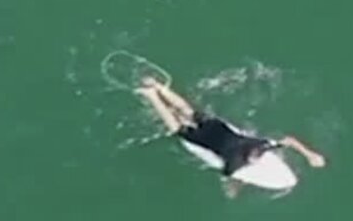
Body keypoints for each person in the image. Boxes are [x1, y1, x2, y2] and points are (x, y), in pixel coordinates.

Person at [135, 76, 326, 197]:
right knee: (177, 128)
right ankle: (152, 96)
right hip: (204, 144)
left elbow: (289, 140)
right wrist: (234, 189)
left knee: (190, 112)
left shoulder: (260, 144)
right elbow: (230, 177)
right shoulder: (233, 167)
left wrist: (310, 155)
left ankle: (160, 88)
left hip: (218, 128)